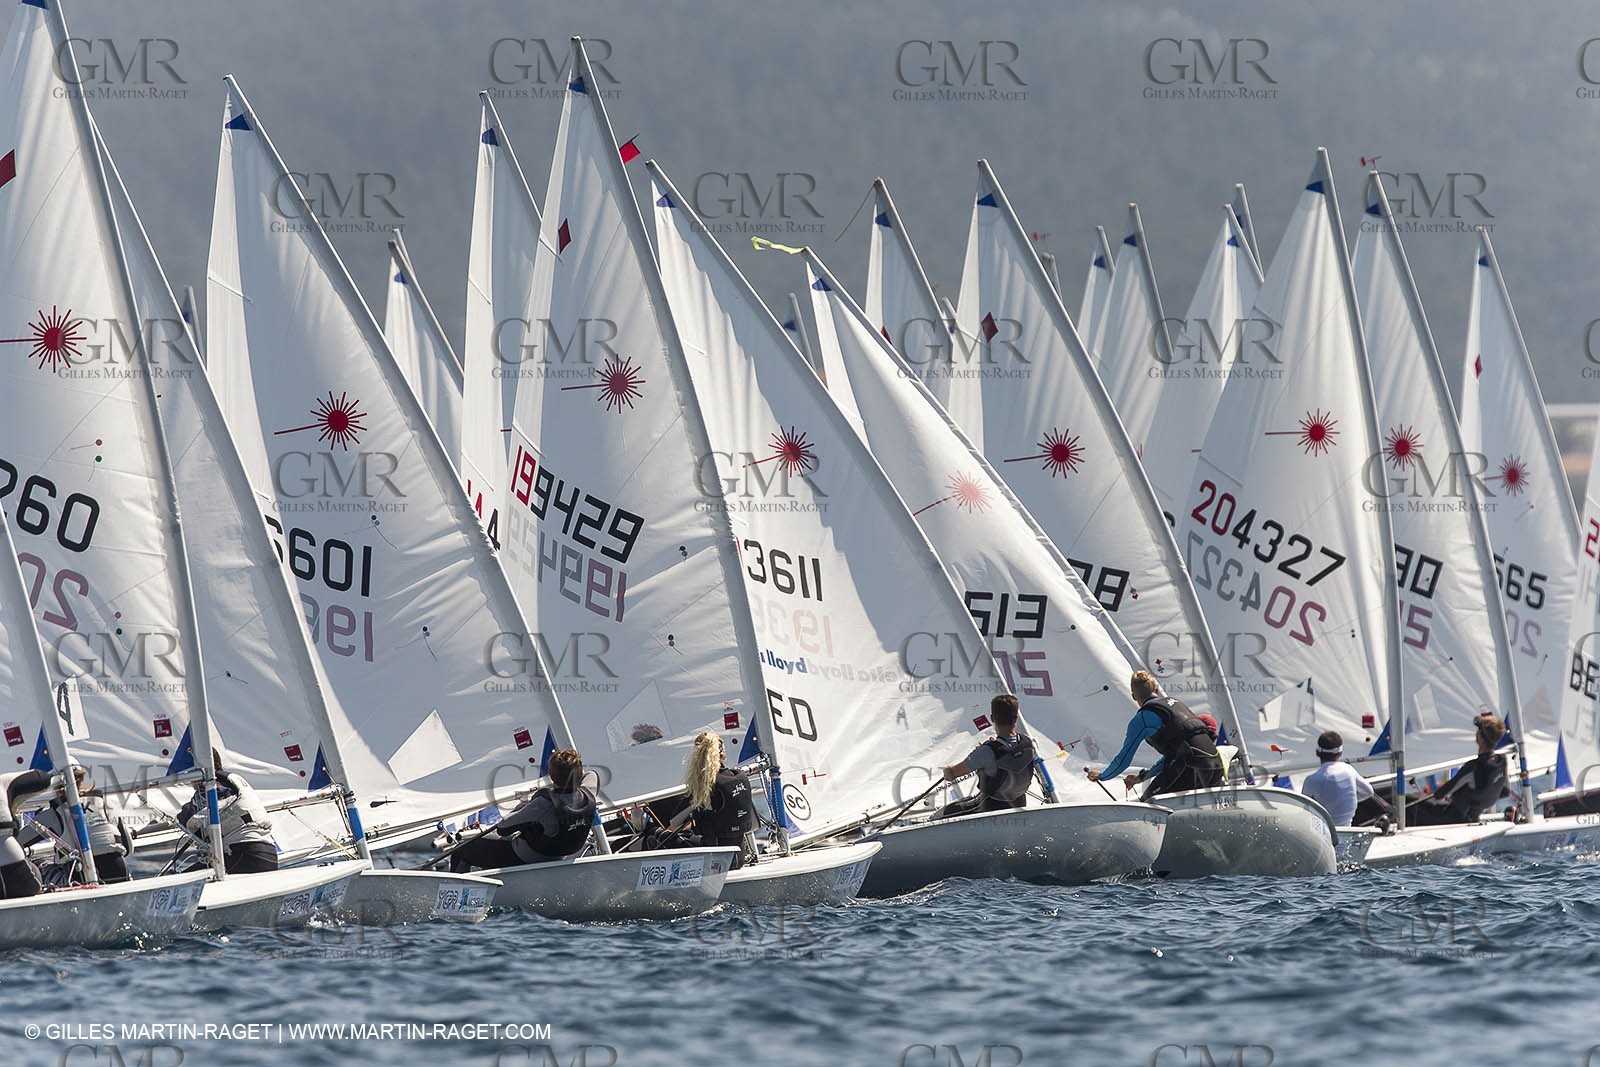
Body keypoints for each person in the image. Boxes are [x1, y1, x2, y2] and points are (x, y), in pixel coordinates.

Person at [449, 749, 597, 872]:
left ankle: (454, 902)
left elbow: (503, 828)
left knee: (461, 849)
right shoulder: (589, 792)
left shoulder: (543, 804)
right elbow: (592, 774)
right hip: (563, 854)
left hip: (527, 856)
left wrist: (522, 807)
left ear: (551, 776)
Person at [1087, 671, 1223, 800]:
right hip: (1216, 765)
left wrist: (1102, 776)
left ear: (1134, 696)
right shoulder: (1176, 704)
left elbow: (1124, 759)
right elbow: (1175, 757)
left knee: (1148, 803)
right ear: (1156, 690)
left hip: (1190, 770)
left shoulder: (1142, 719)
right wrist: (1142, 778)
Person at [16, 766, 130, 883]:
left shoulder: (54, 813)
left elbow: (18, 842)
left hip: (80, 876)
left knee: (39, 864)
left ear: (54, 785)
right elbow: (128, 846)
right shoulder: (106, 804)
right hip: (120, 870)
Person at [175, 750, 278, 874]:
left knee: (188, 878)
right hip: (264, 854)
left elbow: (190, 816)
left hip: (246, 853)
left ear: (200, 770)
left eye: (190, 771)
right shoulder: (229, 781)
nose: (188, 776)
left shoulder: (216, 787)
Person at [937, 694, 1037, 819]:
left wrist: (948, 769)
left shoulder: (986, 752)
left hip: (990, 807)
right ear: (1016, 718)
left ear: (992, 718)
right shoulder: (1029, 744)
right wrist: (991, 747)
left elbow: (951, 774)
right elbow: (1011, 753)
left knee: (940, 815)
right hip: (1018, 804)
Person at [1407, 714, 1510, 826]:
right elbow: (1505, 792)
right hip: (1474, 815)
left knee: (1407, 800)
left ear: (1480, 737)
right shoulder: (1502, 761)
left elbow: (1442, 793)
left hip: (1452, 817)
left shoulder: (1473, 767)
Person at [684, 731, 760, 868]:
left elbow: (674, 823)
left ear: (697, 755)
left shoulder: (705, 785)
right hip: (738, 858)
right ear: (722, 753)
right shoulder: (738, 777)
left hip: (716, 861)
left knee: (657, 835)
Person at [1300, 731, 1387, 828]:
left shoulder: (1312, 779)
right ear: (1340, 752)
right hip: (1347, 827)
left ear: (1317, 753)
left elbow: (1304, 808)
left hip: (1323, 831)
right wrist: (1348, 799)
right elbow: (1368, 792)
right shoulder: (1349, 770)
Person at [0, 769, 52, 898]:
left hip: (10, 868)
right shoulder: (3, 782)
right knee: (36, 870)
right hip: (12, 869)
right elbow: (43, 778)